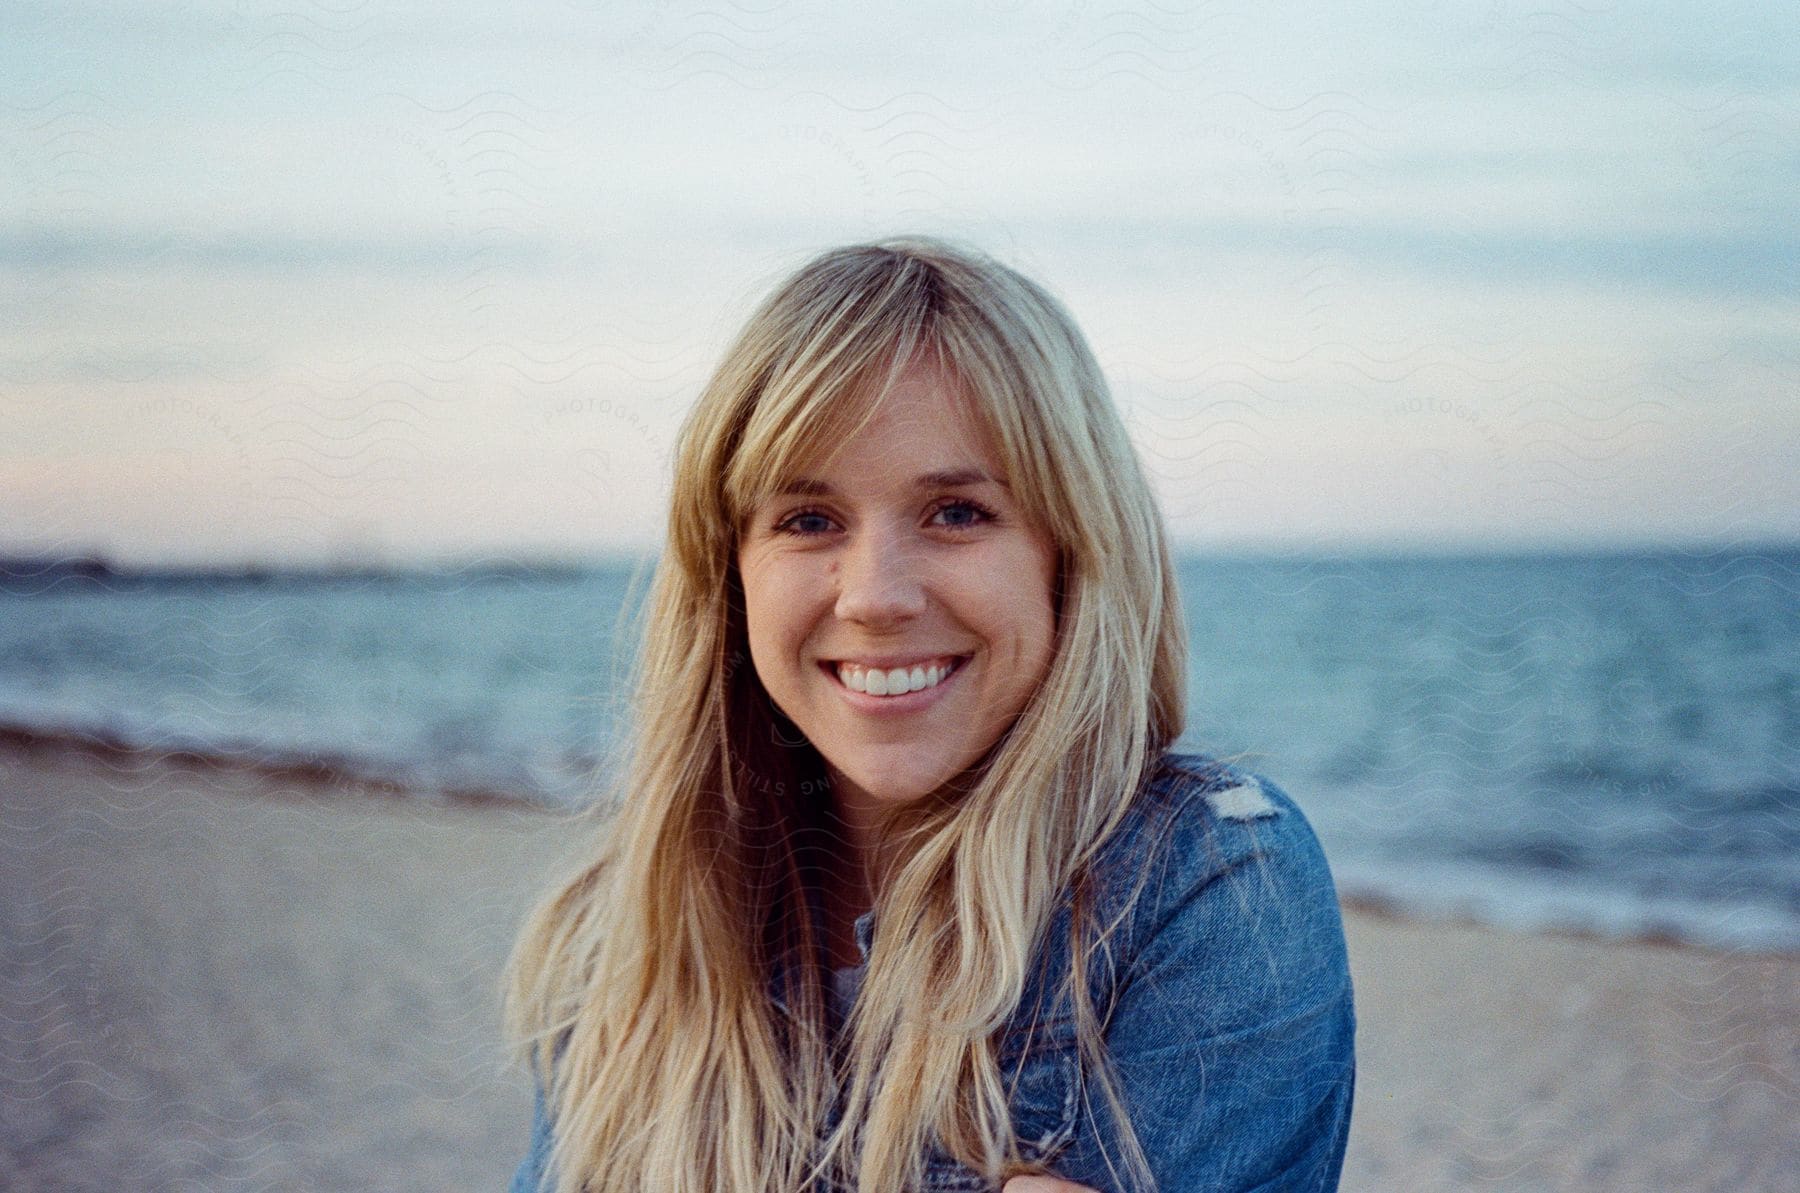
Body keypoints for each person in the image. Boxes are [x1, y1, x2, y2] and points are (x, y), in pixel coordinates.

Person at [503, 237, 1355, 1193]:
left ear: (1071, 551)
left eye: (955, 512)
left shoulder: (1208, 882)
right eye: (808, 520)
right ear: (730, 574)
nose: (874, 597)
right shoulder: (617, 939)